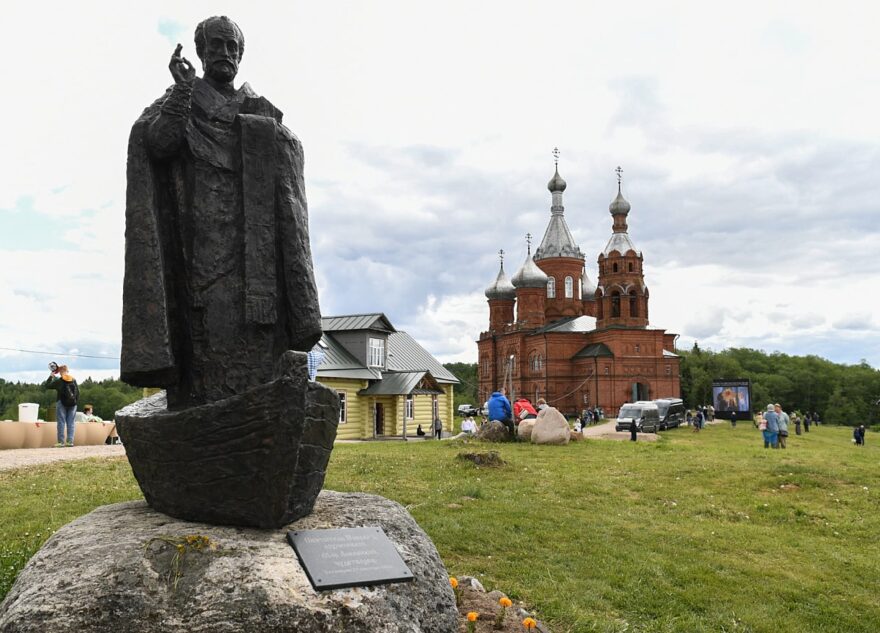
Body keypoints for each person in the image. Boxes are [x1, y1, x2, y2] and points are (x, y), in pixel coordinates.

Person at [122, 16, 321, 409]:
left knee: (260, 359)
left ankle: (258, 439)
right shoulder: (180, 102)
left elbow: (289, 171)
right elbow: (158, 143)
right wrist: (181, 92)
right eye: (217, 45)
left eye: (232, 47)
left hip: (258, 265)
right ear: (201, 51)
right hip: (201, 262)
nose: (225, 54)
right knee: (207, 361)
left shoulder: (260, 112)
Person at [44, 364, 79, 447]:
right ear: (67, 371)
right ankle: (70, 442)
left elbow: (47, 386)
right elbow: (78, 392)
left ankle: (61, 442)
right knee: (71, 422)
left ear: (60, 372)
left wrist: (51, 376)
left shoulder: (59, 381)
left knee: (61, 422)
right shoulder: (73, 380)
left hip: (61, 402)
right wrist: (75, 401)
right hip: (73, 404)